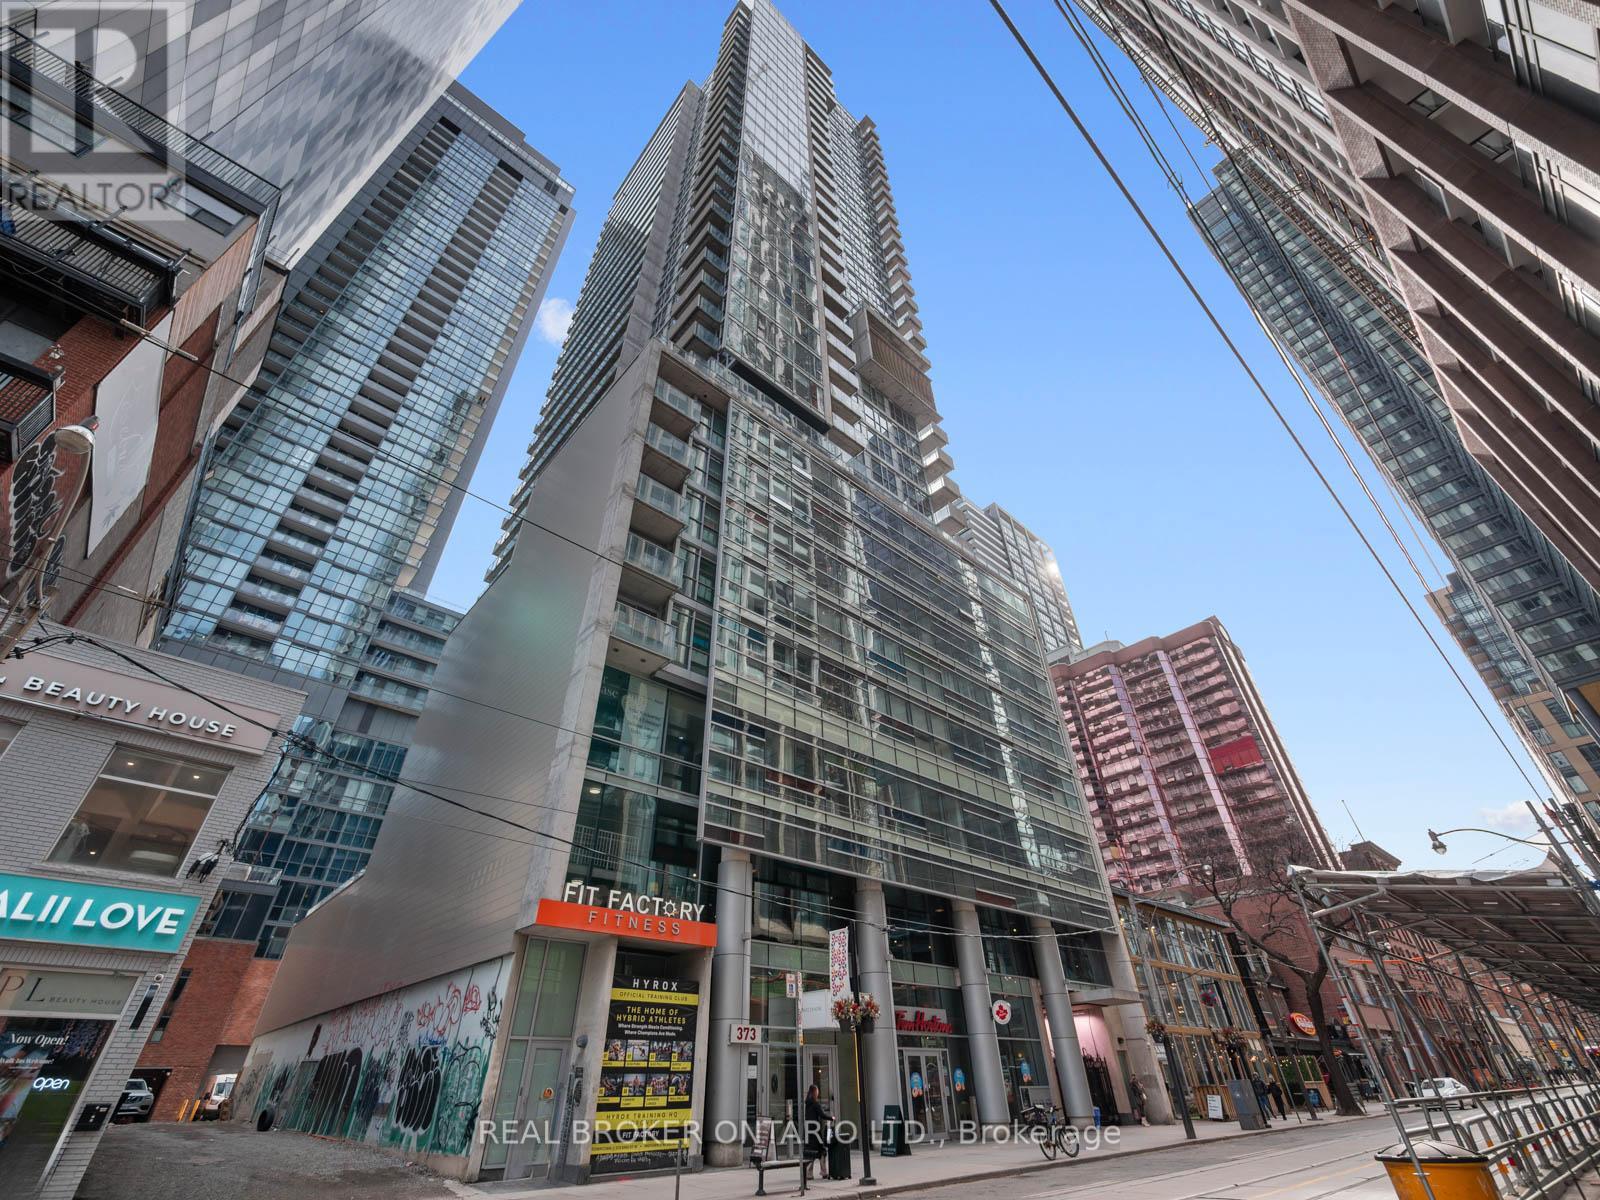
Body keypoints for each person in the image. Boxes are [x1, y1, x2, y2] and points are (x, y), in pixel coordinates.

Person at [804, 1083, 830, 1179]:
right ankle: (823, 1172)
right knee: (821, 1151)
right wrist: (832, 1118)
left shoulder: (807, 1104)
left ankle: (809, 1174)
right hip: (815, 1130)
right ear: (815, 1092)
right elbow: (822, 1115)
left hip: (809, 1130)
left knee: (812, 1151)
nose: (818, 1093)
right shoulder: (815, 1103)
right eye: (817, 1091)